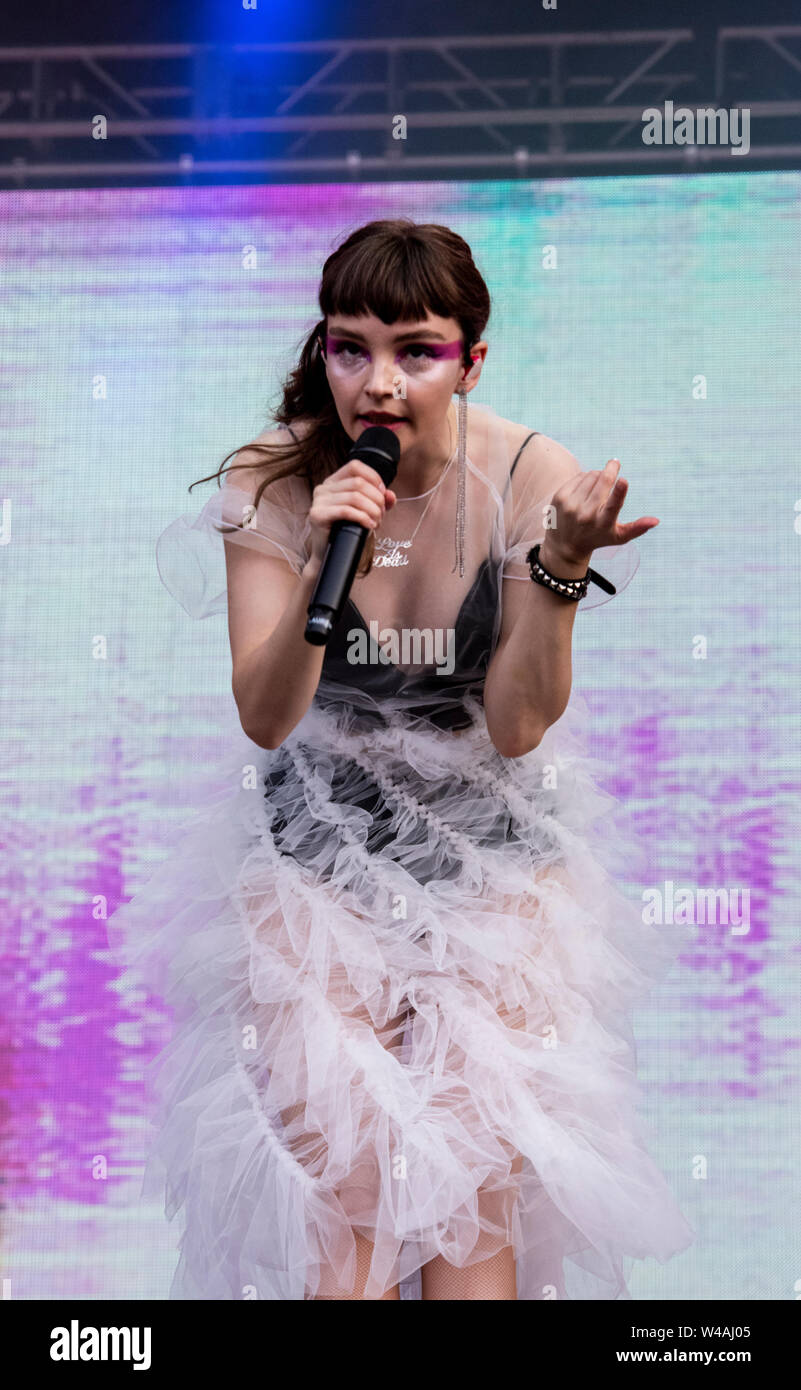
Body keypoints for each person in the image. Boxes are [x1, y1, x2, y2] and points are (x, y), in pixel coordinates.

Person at [107, 218, 696, 1301]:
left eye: (416, 349)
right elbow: (266, 712)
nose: (378, 381)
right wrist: (325, 561)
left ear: (471, 359)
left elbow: (520, 724)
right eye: (349, 346)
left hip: (490, 859)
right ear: (322, 351)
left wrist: (560, 568)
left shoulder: (528, 473)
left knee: (473, 1233)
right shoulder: (277, 483)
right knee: (352, 1228)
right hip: (317, 855)